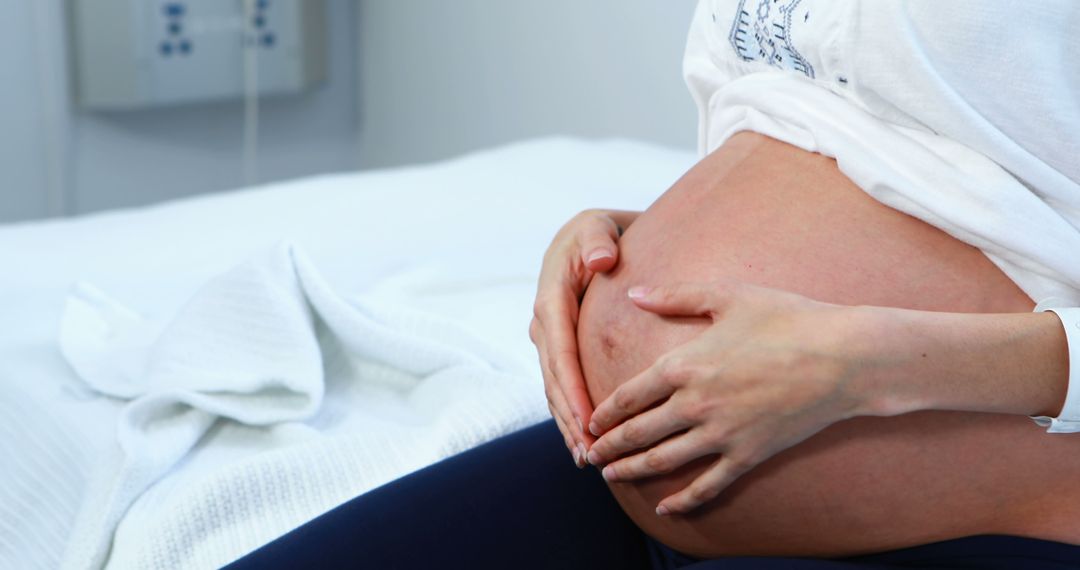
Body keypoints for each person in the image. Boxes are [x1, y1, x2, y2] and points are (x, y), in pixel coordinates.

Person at [228, 1, 1080, 567]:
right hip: (648, 455)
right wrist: (641, 234)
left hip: (974, 515)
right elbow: (832, 125)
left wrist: (869, 362)